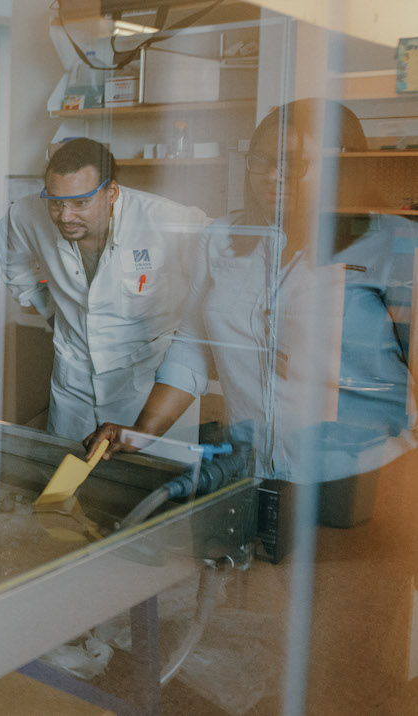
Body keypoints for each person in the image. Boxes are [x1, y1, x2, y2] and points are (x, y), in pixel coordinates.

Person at [86, 99, 415, 483]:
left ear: (341, 165)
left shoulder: (395, 243)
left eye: (293, 163)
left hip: (361, 475)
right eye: (261, 160)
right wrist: (143, 431)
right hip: (250, 468)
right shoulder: (225, 238)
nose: (274, 175)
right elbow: (193, 345)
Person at [2, 138, 207, 441]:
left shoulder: (165, 220)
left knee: (149, 482)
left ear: (111, 193)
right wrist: (49, 312)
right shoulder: (25, 214)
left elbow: (224, 267)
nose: (66, 216)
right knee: (67, 479)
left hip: (146, 384)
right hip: (74, 384)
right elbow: (10, 262)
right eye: (56, 203)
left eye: (81, 203)